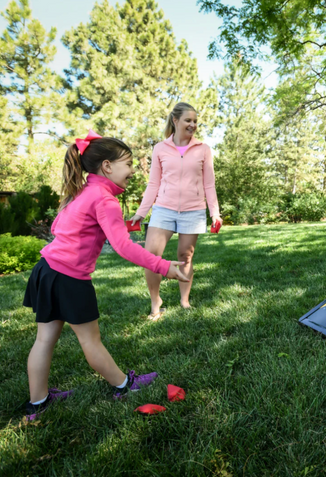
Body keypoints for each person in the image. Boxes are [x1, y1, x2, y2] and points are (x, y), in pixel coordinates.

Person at [23, 130, 189, 421]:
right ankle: (124, 386)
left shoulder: (82, 191)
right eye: (128, 164)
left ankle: (37, 404)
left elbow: (59, 230)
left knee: (44, 340)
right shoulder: (104, 198)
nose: (133, 171)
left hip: (46, 271)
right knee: (91, 340)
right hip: (70, 279)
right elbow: (124, 246)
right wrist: (165, 267)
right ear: (107, 167)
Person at [130, 102, 222, 318]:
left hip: (193, 210)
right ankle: (156, 302)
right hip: (164, 209)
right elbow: (153, 183)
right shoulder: (160, 148)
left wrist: (214, 213)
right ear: (176, 120)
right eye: (188, 120)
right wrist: (141, 212)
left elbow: (209, 184)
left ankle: (184, 301)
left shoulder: (203, 149)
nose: (193, 125)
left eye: (195, 121)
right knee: (152, 256)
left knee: (185, 256)